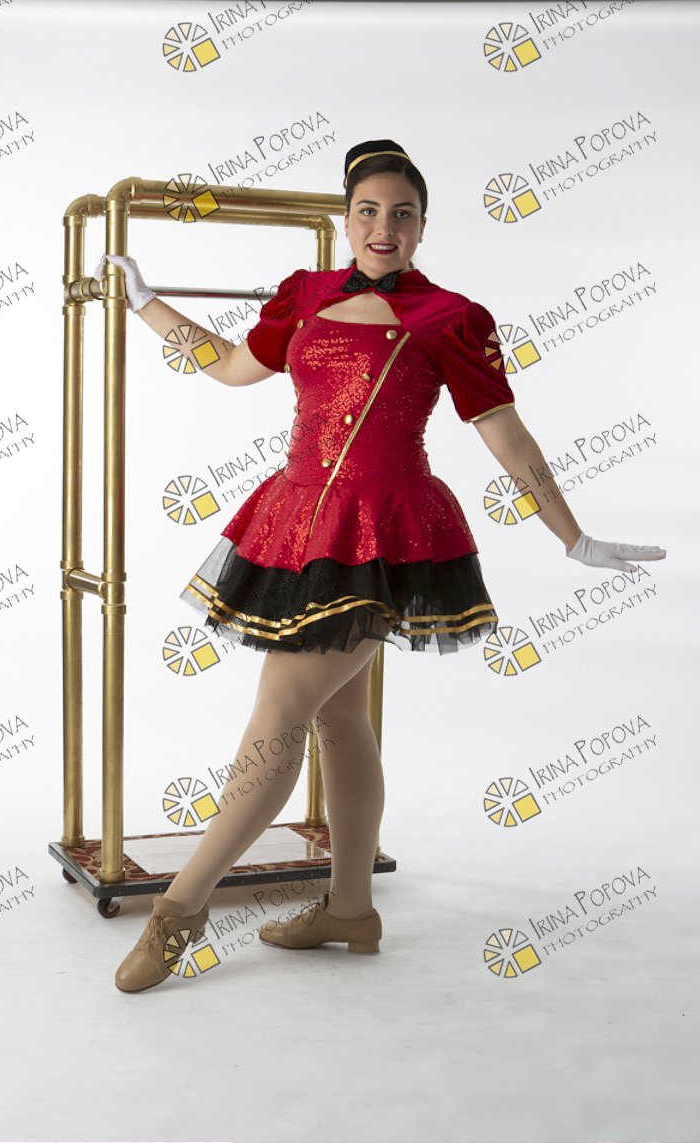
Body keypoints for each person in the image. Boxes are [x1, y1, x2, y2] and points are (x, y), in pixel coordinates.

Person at [93, 138, 666, 993]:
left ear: (423, 225)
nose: (384, 227)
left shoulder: (450, 316)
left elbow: (507, 433)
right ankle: (351, 908)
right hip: (297, 524)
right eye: (368, 211)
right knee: (339, 717)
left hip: (386, 534)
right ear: (345, 218)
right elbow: (230, 368)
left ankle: (180, 910)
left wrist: (570, 535)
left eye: (403, 213)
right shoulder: (306, 294)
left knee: (279, 713)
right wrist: (148, 304)